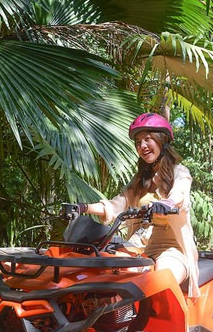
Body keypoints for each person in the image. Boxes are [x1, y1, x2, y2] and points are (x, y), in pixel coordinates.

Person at [73, 112, 200, 297]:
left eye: (148, 139)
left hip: (174, 250)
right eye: (138, 142)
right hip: (144, 249)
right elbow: (116, 204)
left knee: (162, 280)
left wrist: (167, 203)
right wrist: (82, 208)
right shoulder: (141, 181)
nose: (142, 146)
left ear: (162, 140)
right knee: (108, 272)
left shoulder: (178, 172)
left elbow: (180, 192)